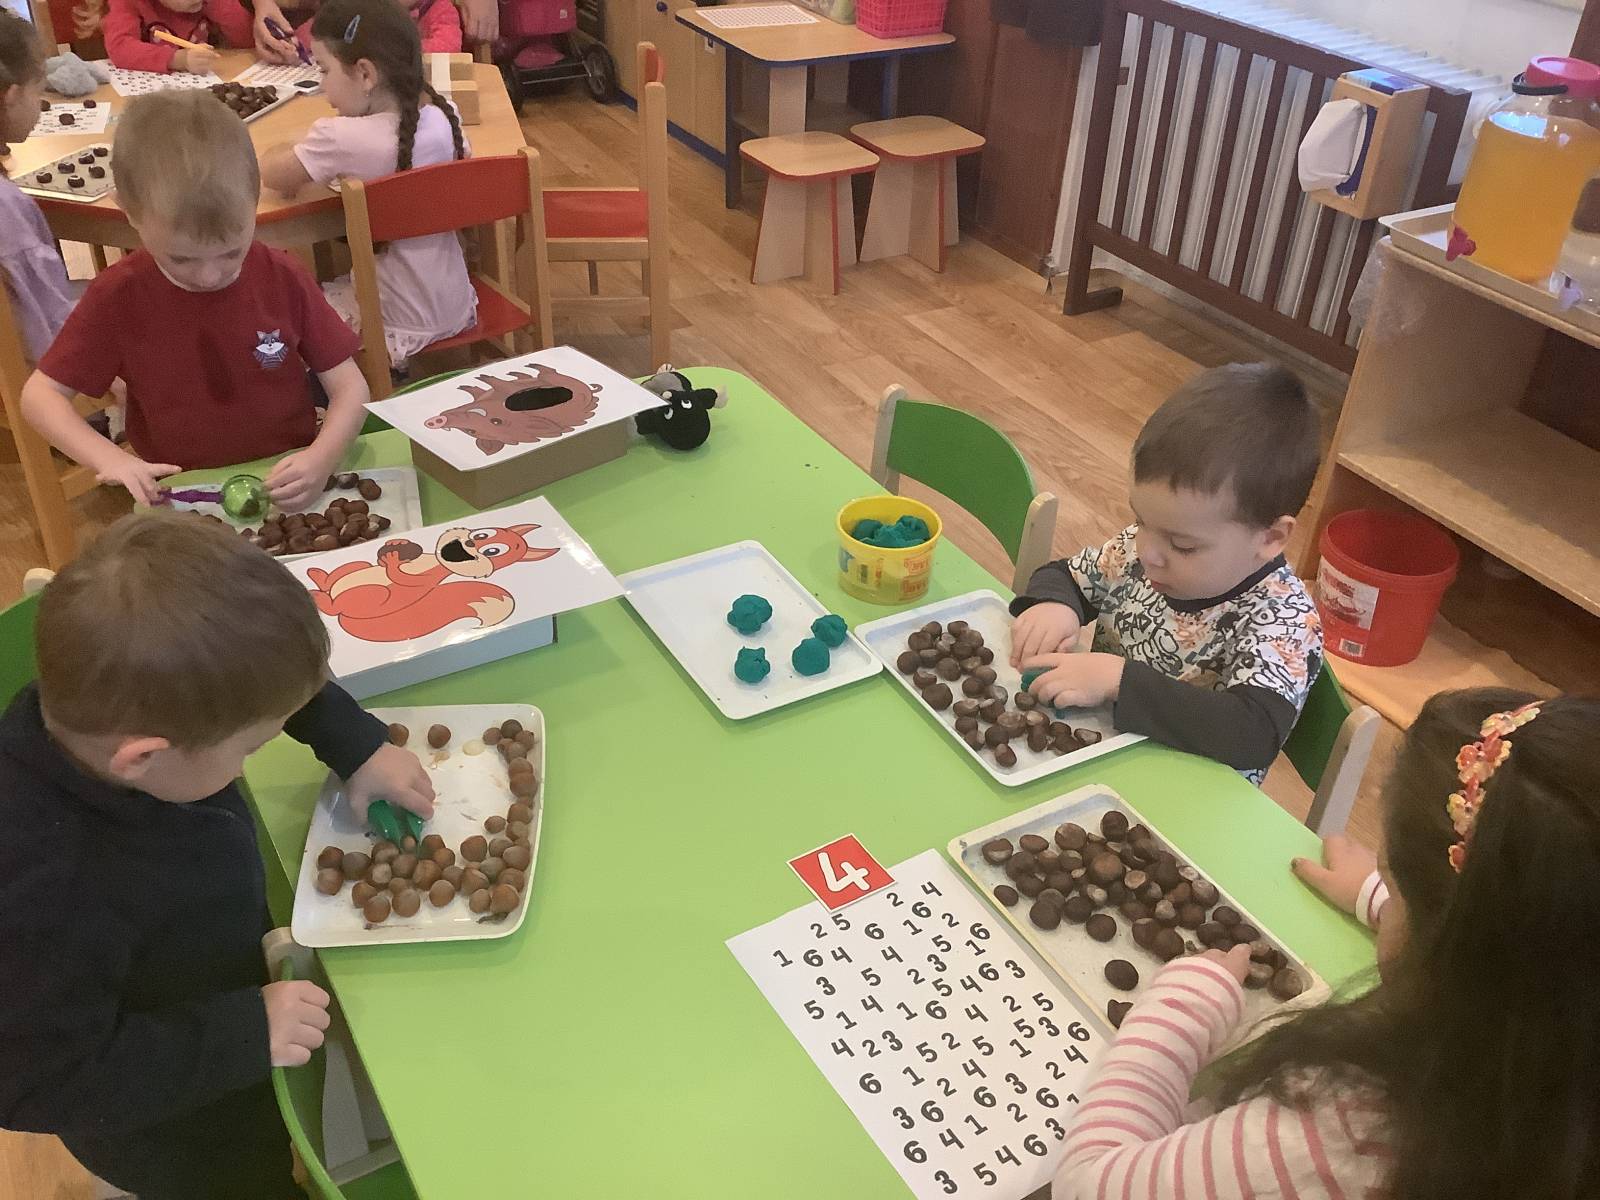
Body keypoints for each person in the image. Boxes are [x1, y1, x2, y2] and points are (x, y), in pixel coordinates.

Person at [0, 511, 436, 1200]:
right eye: (250, 749)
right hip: (182, 1126)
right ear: (143, 756)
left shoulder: (120, 705)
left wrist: (356, 744)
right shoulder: (46, 894)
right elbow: (37, 1079)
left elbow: (253, 679)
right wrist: (243, 1034)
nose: (253, 757)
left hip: (223, 978)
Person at [1053, 688, 1600, 1199]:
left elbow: (1086, 1186)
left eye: (1397, 887)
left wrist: (1178, 1012)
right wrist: (1385, 900)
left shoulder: (1339, 1136)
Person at [20, 89, 370, 509]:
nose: (209, 275)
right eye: (181, 258)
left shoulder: (282, 275)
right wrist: (110, 458)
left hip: (287, 480)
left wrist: (321, 457)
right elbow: (39, 398)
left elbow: (351, 387)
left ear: (254, 200)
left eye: (231, 252)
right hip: (181, 492)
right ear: (128, 211)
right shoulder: (118, 296)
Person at [1009, 362, 1323, 782]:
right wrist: (1056, 605)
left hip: (1185, 799)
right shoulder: (1143, 549)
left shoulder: (1284, 618)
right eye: (1141, 521)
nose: (1148, 553)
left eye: (1183, 545)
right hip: (1097, 762)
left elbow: (1253, 733)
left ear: (1270, 537)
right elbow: (1066, 576)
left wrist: (1120, 681)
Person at [261, 0, 474, 371]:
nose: (322, 85)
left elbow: (273, 175)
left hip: (391, 317)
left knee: (288, 316)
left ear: (364, 74)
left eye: (324, 70)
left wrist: (293, 141)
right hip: (455, 304)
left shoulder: (340, 137)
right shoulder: (446, 117)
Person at [0, 10, 77, 362]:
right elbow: (48, 327)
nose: (41, 105)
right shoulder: (8, 210)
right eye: (39, 89)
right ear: (12, 95)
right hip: (29, 377)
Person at [252, 0, 477, 62]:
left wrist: (379, 51)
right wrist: (290, 46)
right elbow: (317, 32)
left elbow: (448, 49)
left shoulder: (439, 8)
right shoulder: (363, 7)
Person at [103, 0, 255, 73]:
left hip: (205, 88)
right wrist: (178, 59)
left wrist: (219, 5)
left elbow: (248, 39)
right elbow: (119, 48)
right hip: (149, 94)